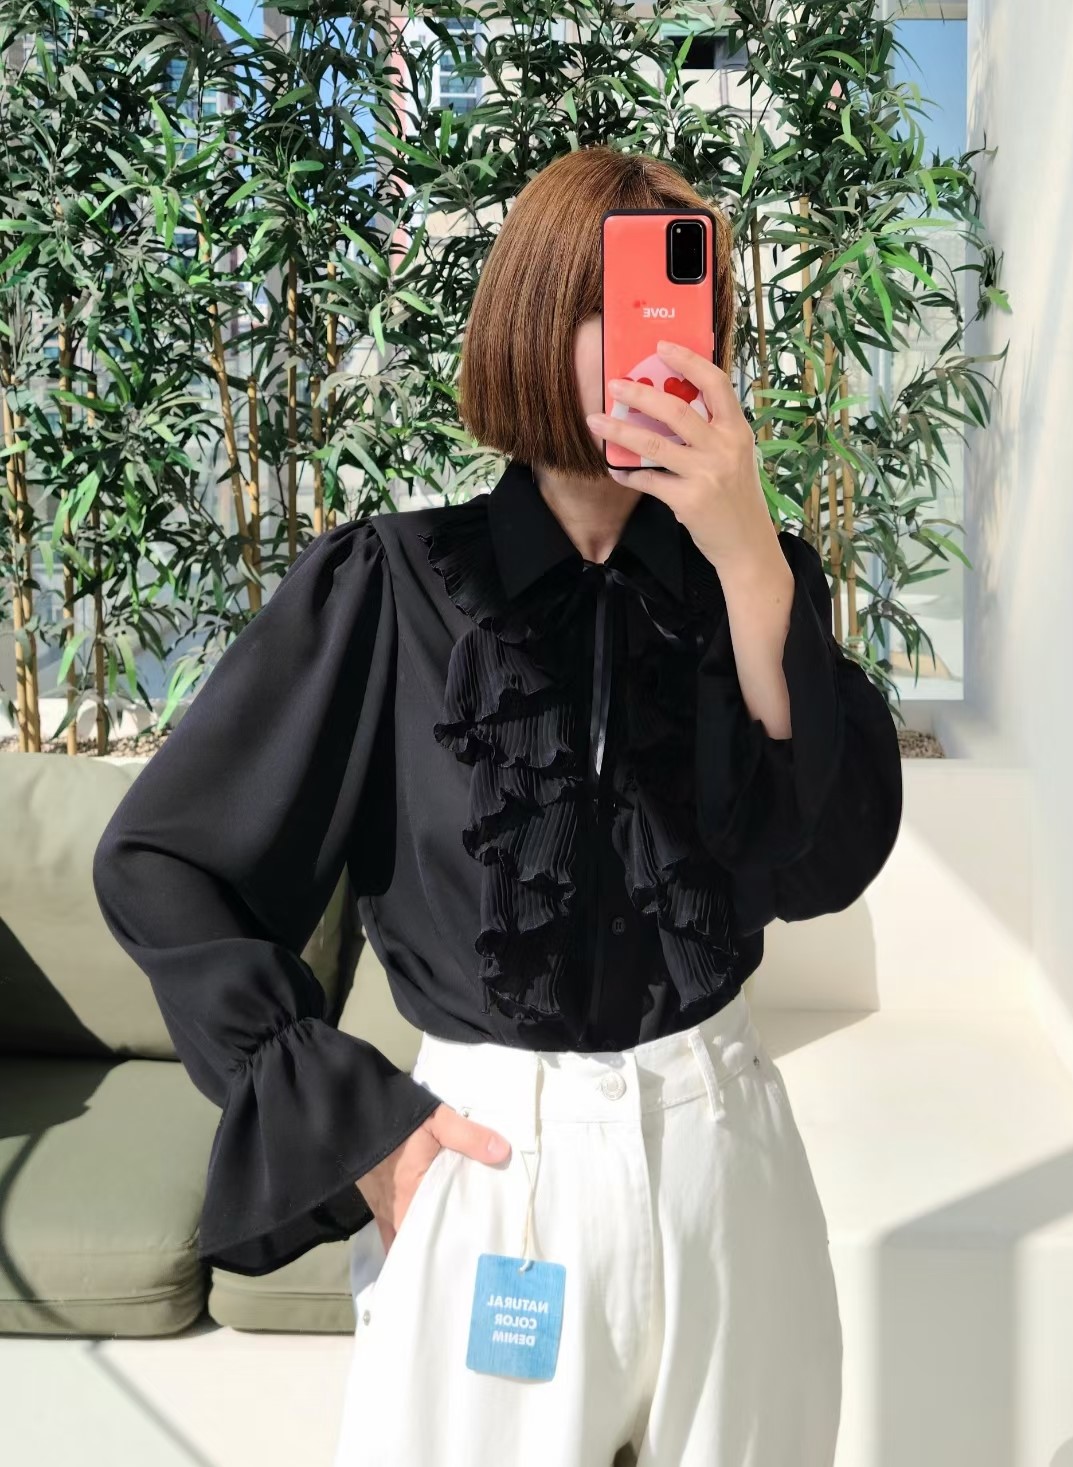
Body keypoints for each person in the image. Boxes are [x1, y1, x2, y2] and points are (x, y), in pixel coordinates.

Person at [92, 145, 902, 1467]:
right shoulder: (395, 586)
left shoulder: (753, 586)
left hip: (727, 1153)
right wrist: (352, 1125)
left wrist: (755, 565)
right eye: (612, 304)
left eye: (684, 308)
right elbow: (163, 861)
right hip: (489, 1166)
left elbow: (822, 864)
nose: (656, 343)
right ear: (530, 317)